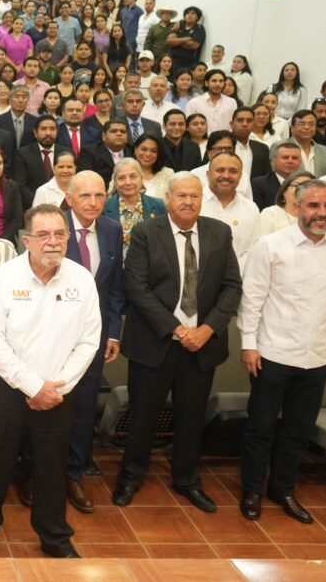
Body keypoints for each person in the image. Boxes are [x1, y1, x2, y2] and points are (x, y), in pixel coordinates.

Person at [0, 204, 100, 560]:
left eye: (59, 234)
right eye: (44, 235)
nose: (52, 242)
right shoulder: (3, 279)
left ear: (68, 237)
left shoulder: (81, 280)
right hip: (7, 390)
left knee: (51, 469)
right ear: (26, 240)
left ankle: (55, 537)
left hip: (57, 392)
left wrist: (56, 388)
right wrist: (33, 386)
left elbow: (89, 341)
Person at [111, 173, 242, 513]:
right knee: (142, 415)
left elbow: (231, 287)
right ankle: (131, 475)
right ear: (167, 198)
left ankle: (187, 479)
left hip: (202, 345)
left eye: (194, 196)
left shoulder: (219, 232)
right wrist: (177, 329)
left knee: (191, 417)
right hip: (156, 342)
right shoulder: (145, 233)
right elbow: (136, 286)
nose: (188, 202)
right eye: (182, 195)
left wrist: (207, 329)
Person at [237, 179, 326, 524]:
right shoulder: (270, 246)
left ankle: (282, 489)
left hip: (316, 357)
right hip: (271, 353)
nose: (322, 213)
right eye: (314, 206)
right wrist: (248, 345)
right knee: (261, 427)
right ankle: (252, 489)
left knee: (298, 430)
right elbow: (252, 299)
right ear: (297, 207)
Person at [57, 172, 124, 512]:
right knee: (46, 405)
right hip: (50, 338)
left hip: (92, 340)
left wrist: (113, 332)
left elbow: (114, 288)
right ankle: (37, 473)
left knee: (83, 409)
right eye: (85, 196)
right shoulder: (53, 227)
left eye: (100, 195)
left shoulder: (112, 229)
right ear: (69, 198)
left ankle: (74, 472)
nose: (93, 203)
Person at [200, 152, 262, 271]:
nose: (226, 176)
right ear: (207, 175)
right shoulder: (194, 203)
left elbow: (254, 248)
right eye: (220, 170)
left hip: (238, 279)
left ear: (241, 176)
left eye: (233, 171)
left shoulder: (251, 208)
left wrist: (232, 272)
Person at [257, 171, 314, 236]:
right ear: (284, 190)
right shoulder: (270, 213)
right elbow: (263, 243)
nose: (301, 190)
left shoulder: (317, 214)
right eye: (296, 186)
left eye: (308, 187)